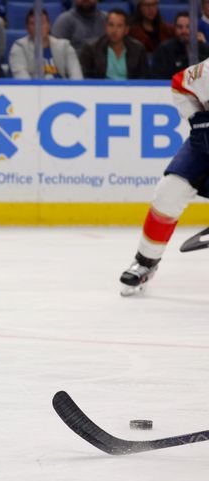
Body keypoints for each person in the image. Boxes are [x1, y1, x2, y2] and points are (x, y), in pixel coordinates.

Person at [119, 59, 209, 295]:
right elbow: (180, 85)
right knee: (168, 192)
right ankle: (145, 263)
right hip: (204, 145)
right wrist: (200, 122)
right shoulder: (204, 71)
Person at [9, 8, 82, 79]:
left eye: (42, 23)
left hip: (62, 89)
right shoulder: (20, 47)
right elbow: (22, 79)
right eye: (33, 23)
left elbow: (77, 76)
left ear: (48, 26)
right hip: (34, 90)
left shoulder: (64, 46)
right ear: (27, 29)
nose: (38, 27)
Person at [79, 9, 148, 80]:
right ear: (106, 27)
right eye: (111, 25)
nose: (114, 30)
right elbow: (85, 77)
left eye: (119, 26)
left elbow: (143, 78)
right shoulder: (91, 48)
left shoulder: (138, 49)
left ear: (126, 30)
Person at [150, 12, 209, 80]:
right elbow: (158, 79)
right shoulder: (164, 50)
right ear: (175, 28)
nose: (184, 31)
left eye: (188, 27)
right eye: (180, 27)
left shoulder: (205, 50)